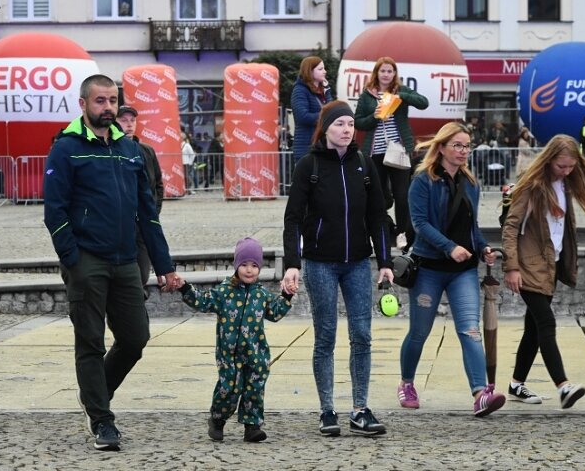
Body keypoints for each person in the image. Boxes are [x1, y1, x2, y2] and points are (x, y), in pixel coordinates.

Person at [43, 74, 181, 451]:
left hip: (125, 260)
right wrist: (72, 259)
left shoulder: (129, 149)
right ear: (84, 103)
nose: (108, 108)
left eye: (112, 101)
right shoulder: (66, 147)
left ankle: (94, 396)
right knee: (90, 340)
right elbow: (54, 211)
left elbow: (147, 213)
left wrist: (164, 264)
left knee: (135, 338)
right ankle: (103, 420)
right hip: (86, 260)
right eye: (100, 101)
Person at [282, 100, 395, 437]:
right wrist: (292, 264)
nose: (347, 130)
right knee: (326, 337)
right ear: (326, 129)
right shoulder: (309, 165)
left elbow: (377, 216)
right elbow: (293, 218)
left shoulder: (363, 164)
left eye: (350, 124)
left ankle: (360, 409)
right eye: (339, 124)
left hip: (358, 262)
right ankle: (327, 409)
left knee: (362, 335)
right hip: (320, 264)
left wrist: (385, 261)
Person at [399, 122, 504, 417]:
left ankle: (480, 394)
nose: (463, 151)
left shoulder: (471, 183)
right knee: (419, 332)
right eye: (457, 145)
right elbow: (420, 224)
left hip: (463, 271)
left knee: (470, 331)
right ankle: (407, 383)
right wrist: (449, 247)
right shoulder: (422, 181)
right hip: (429, 268)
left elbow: (471, 227)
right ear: (442, 147)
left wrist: (483, 247)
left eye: (467, 146)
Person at [502, 134, 585, 409]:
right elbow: (510, 227)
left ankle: (516, 384)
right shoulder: (531, 185)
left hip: (550, 265)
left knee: (533, 329)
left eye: (571, 167)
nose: (566, 171)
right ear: (549, 160)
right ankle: (563, 386)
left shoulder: (566, 185)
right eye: (561, 166)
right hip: (528, 266)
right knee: (546, 323)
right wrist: (511, 267)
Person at [177, 237, 294, 443]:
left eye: (254, 265)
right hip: (229, 354)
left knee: (255, 387)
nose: (249, 270)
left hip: (256, 353)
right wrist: (185, 288)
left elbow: (275, 313)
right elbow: (203, 301)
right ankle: (217, 419)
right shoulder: (224, 292)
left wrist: (286, 296)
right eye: (244, 265)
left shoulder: (261, 294)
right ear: (236, 265)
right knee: (230, 387)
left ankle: (252, 426)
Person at [354, 56, 429, 250]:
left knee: (402, 195)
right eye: (383, 71)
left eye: (390, 71)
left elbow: (423, 103)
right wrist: (374, 116)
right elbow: (358, 122)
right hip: (375, 151)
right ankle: (380, 229)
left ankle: (402, 233)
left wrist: (402, 97)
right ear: (376, 73)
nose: (386, 74)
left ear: (395, 73)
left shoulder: (401, 91)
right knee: (379, 196)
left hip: (398, 150)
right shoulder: (367, 95)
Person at [117, 104, 164, 299]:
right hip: (121, 222)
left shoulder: (147, 151)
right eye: (124, 120)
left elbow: (158, 184)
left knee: (143, 270)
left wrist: (153, 211)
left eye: (132, 120)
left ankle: (137, 295)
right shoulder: (110, 151)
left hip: (144, 222)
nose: (129, 125)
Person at [290, 56, 332, 163]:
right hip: (306, 147)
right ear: (310, 71)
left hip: (322, 146)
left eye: (324, 68)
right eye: (320, 69)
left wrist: (327, 92)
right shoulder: (300, 90)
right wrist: (325, 116)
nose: (325, 71)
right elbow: (302, 117)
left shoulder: (324, 90)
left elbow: (332, 110)